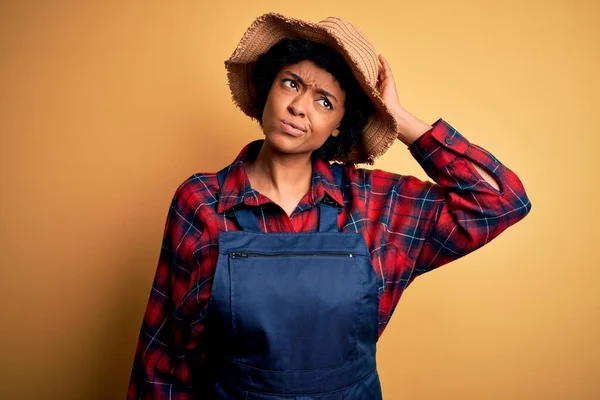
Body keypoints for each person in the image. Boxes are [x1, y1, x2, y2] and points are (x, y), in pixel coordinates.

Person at [127, 13, 531, 399]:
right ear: (269, 87)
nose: (299, 107)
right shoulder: (201, 202)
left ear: (340, 122)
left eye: (324, 102)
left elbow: (501, 200)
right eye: (291, 84)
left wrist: (400, 119)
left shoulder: (376, 205)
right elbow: (164, 358)